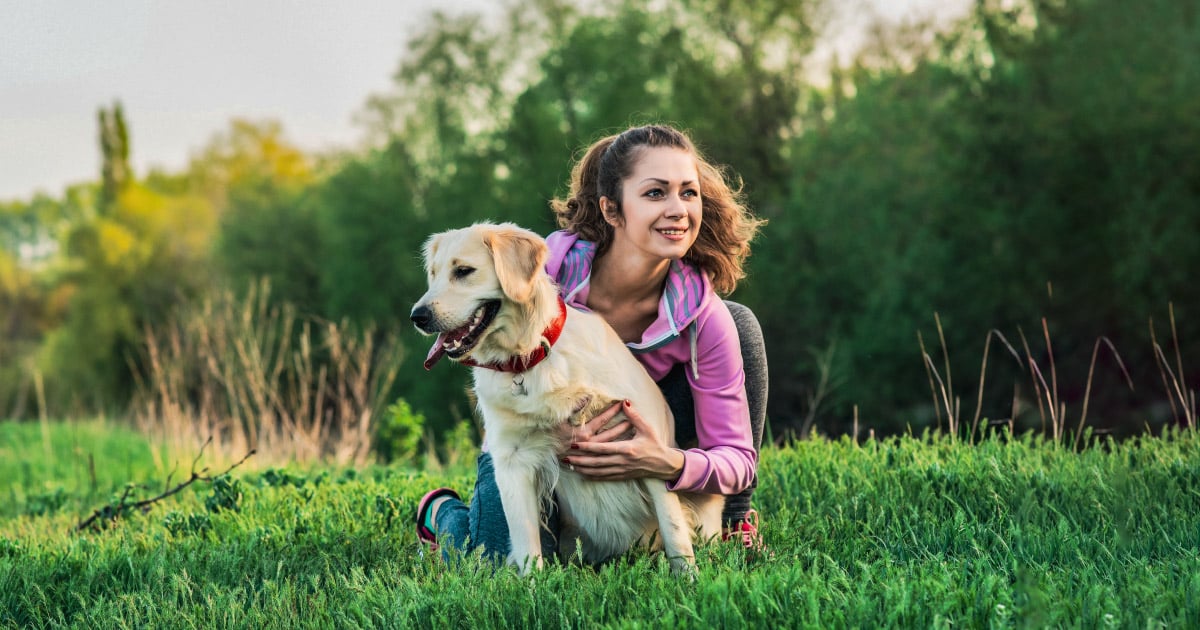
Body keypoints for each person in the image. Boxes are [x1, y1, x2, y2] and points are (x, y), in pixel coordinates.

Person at [415, 123, 769, 564]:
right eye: (656, 193)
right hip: (531, 438)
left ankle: (736, 522)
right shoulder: (543, 273)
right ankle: (442, 513)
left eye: (688, 192)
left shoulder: (705, 317)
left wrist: (665, 461)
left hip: (649, 433)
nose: (678, 209)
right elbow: (492, 368)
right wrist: (550, 431)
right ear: (612, 210)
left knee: (740, 322)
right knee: (488, 560)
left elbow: (737, 459)